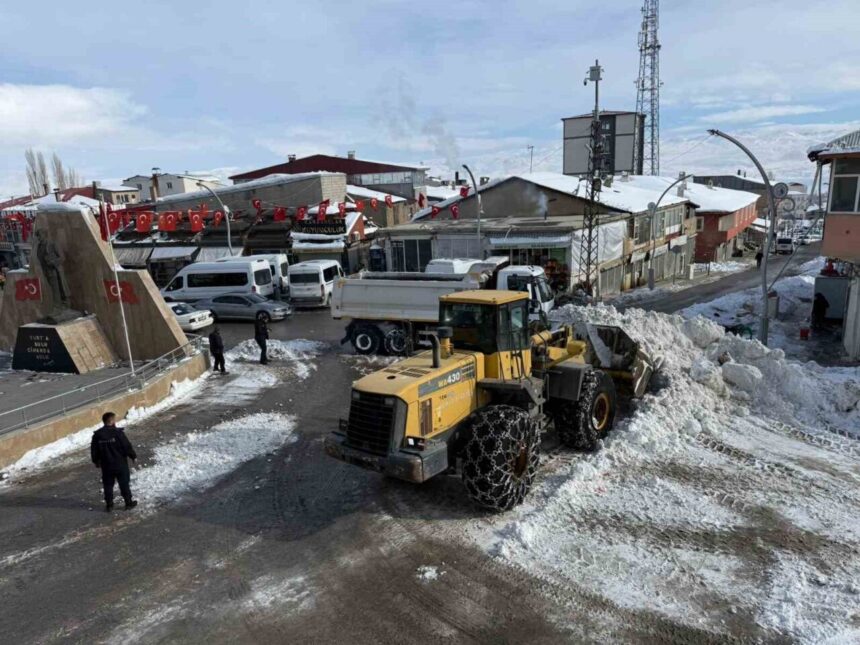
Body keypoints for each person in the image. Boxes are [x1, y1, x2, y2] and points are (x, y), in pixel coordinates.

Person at [91, 412, 138, 512]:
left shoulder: (97, 435)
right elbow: (126, 446)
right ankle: (128, 502)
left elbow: (94, 450)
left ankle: (109, 505)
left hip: (106, 465)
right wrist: (133, 456)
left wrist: (96, 461)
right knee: (124, 483)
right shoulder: (118, 433)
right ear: (112, 421)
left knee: (108, 485)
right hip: (120, 464)